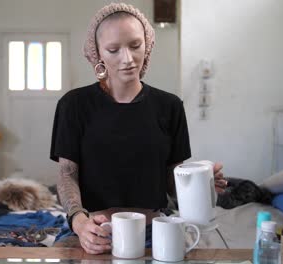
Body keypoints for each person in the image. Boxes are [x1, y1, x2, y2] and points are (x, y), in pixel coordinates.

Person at [50, 3, 227, 254]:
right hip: (94, 231)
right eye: (113, 49)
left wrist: (201, 185)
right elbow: (67, 173)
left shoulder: (169, 106)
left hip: (156, 232)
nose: (128, 59)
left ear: (147, 44)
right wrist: (79, 222)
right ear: (97, 53)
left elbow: (171, 180)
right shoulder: (74, 105)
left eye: (135, 45)